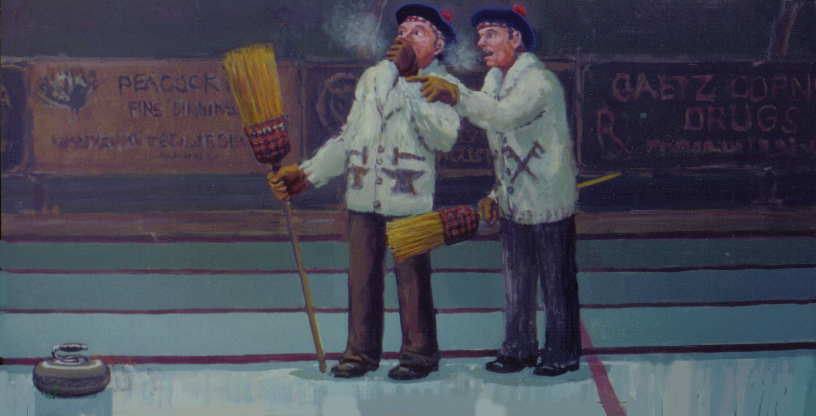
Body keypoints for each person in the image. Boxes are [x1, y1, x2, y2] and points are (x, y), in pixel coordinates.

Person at [268, 3, 460, 380]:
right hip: (363, 194)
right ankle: (360, 353)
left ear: (438, 45)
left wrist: (410, 82)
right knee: (361, 279)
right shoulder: (373, 77)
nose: (405, 37)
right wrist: (307, 174)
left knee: (412, 280)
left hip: (408, 198)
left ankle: (419, 354)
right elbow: (350, 138)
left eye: (417, 31)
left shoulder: (443, 85)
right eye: (402, 31)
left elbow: (444, 138)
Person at [409, 4, 580, 376]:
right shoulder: (494, 81)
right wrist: (494, 193)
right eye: (480, 36)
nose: (481, 43)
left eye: (491, 35)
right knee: (516, 280)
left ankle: (562, 352)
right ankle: (518, 348)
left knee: (556, 281)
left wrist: (455, 94)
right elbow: (502, 147)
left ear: (515, 38)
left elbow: (502, 117)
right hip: (513, 200)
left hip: (548, 200)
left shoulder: (539, 81)